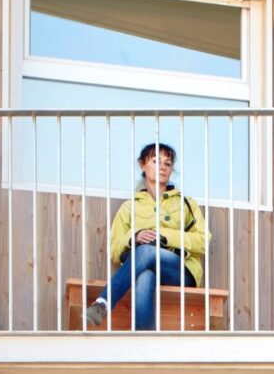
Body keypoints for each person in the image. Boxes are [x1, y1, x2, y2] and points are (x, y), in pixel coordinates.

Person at [86, 142, 211, 331]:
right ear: (142, 165)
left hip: (179, 270)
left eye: (168, 163)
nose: (163, 167)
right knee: (145, 276)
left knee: (146, 251)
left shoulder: (186, 203)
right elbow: (114, 250)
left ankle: (103, 302)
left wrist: (165, 236)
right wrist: (134, 237)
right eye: (156, 161)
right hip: (142, 267)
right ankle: (145, 340)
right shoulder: (129, 207)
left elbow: (203, 241)